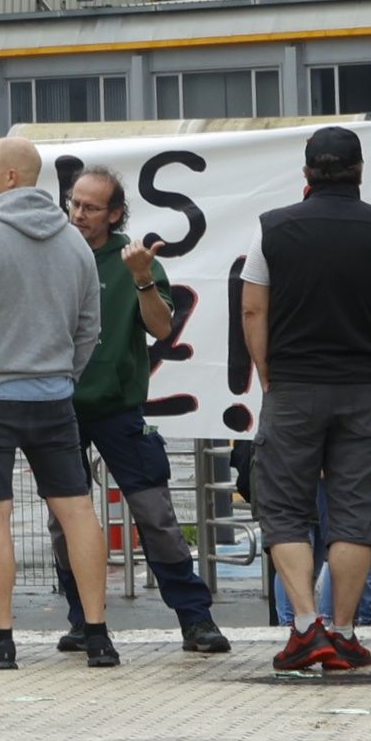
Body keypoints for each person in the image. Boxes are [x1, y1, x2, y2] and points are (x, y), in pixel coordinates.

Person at [238, 125, 371, 674]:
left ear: (307, 172)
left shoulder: (273, 230)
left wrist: (268, 371)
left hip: (292, 387)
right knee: (354, 514)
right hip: (364, 388)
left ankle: (302, 627)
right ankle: (343, 632)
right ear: (361, 171)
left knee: (286, 509)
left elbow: (252, 309)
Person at [0, 136, 115, 673]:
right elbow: (90, 327)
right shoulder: (75, 242)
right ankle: (99, 635)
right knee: (77, 510)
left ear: (12, 177)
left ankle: (1, 638)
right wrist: (63, 372)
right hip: (54, 394)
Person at [48, 167, 230, 655]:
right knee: (63, 519)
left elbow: (162, 329)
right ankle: (81, 617)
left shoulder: (134, 259)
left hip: (117, 405)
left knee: (154, 512)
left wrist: (143, 280)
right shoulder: (50, 252)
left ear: (115, 214)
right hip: (58, 406)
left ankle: (195, 619)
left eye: (90, 207)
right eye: (74, 203)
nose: (79, 214)